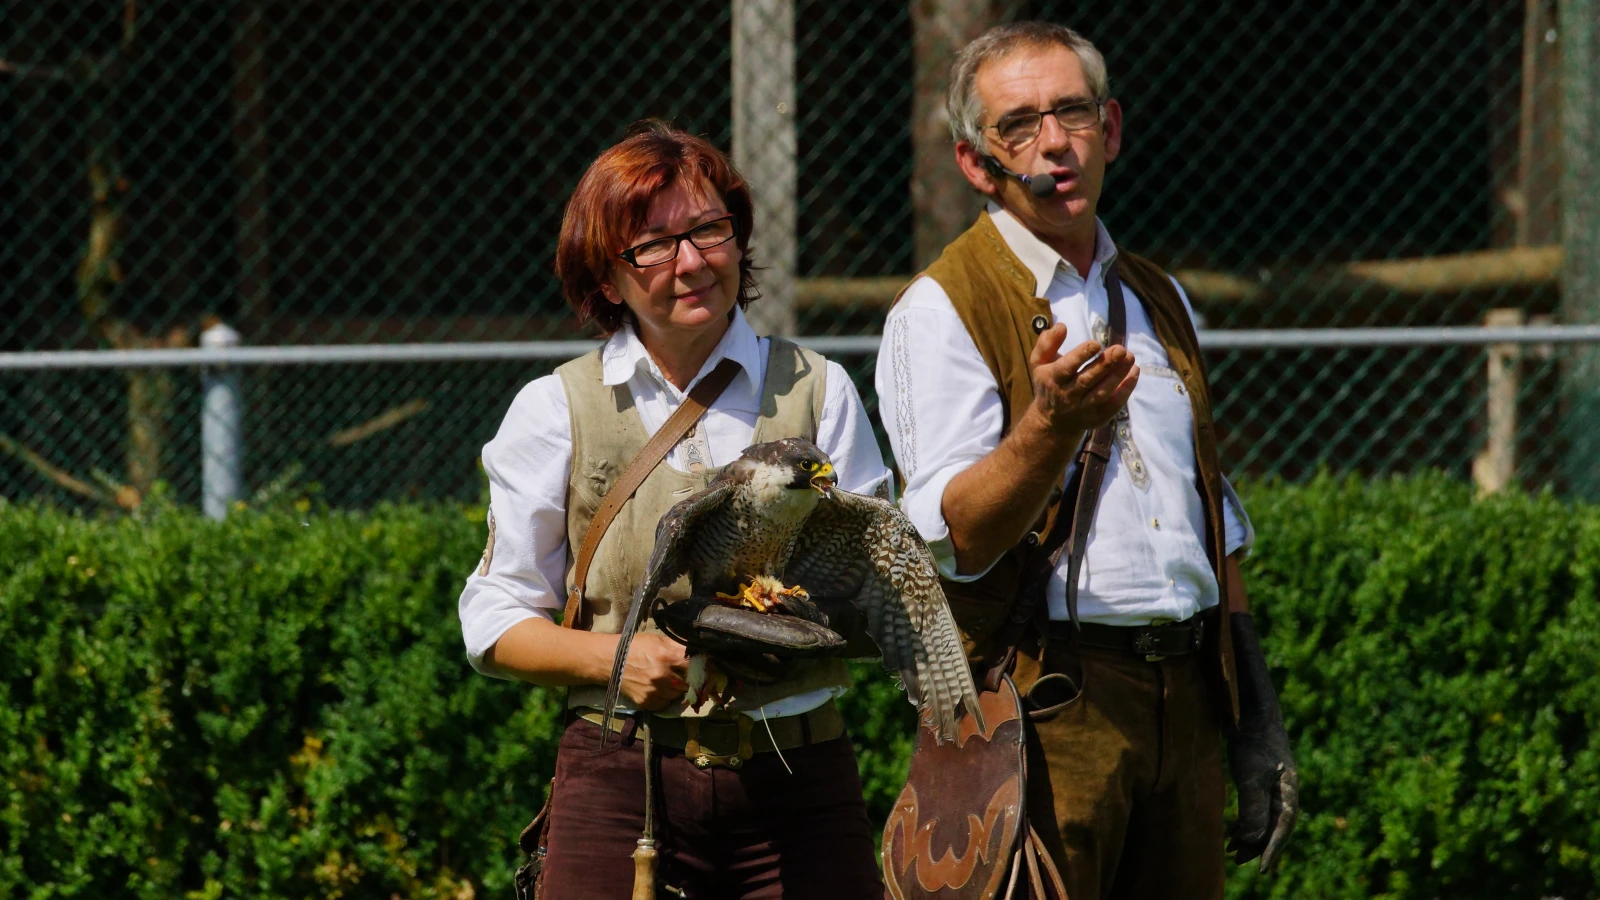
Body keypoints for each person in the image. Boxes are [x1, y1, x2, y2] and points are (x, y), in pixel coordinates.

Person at [874, 22, 1297, 900]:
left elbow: (1213, 521)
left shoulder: (1160, 295)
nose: (1054, 141)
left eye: (1071, 111)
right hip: (1047, 705)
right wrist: (1052, 425)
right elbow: (956, 539)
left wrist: (1258, 718)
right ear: (974, 161)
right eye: (1019, 124)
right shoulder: (939, 308)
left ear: (1111, 129)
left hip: (1187, 697)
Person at [458, 121, 887, 899]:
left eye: (708, 230)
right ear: (606, 276)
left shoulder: (818, 390)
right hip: (621, 782)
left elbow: (878, 587)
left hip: (801, 781)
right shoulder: (557, 407)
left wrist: (799, 621)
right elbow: (493, 619)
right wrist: (615, 662)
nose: (689, 262)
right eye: (651, 246)